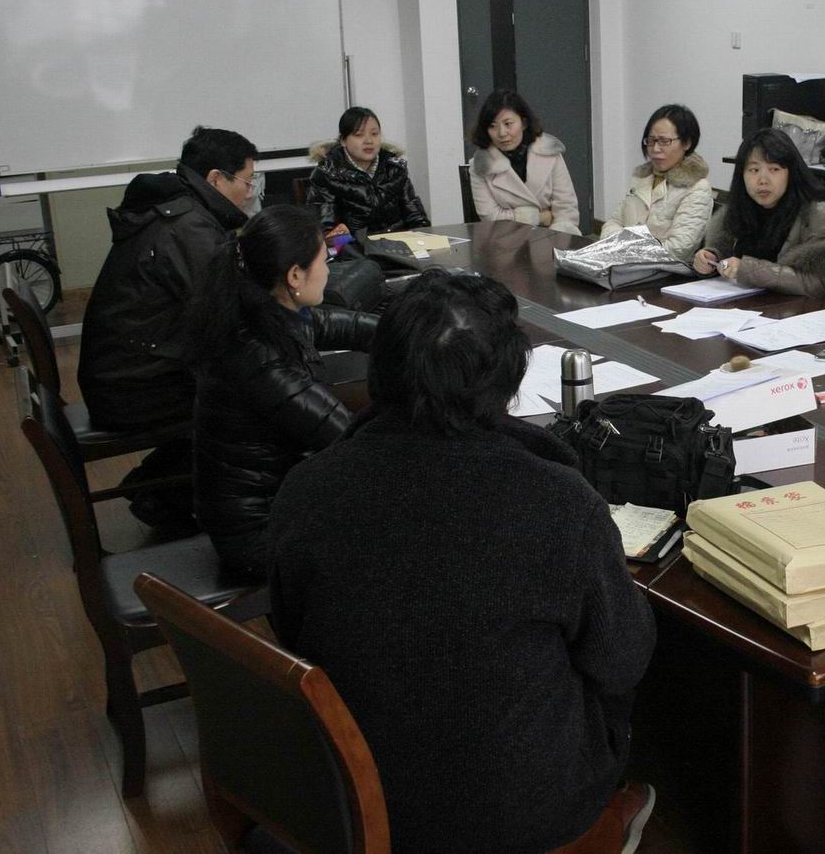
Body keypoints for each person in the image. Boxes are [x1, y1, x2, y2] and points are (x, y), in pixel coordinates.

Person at [268, 271, 657, 854]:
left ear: (380, 370)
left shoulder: (307, 487)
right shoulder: (558, 501)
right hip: (517, 814)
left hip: (352, 793)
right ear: (507, 384)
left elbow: (290, 627)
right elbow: (622, 660)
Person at [79, 125, 260, 529]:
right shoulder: (187, 226)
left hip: (123, 372)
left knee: (238, 380)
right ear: (216, 179)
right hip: (134, 388)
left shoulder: (180, 209)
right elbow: (225, 310)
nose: (249, 193)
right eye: (247, 181)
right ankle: (176, 499)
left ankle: (158, 486)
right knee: (252, 398)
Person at [187, 206, 377, 578]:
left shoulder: (265, 313)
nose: (329, 270)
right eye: (324, 260)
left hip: (273, 503)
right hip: (258, 535)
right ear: (294, 275)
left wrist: (408, 330)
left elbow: (338, 324)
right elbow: (348, 442)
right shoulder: (260, 357)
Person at [692, 127, 825, 300]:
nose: (763, 180)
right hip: (749, 307)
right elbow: (728, 258)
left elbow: (817, 284)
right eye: (754, 170)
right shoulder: (738, 209)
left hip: (804, 311)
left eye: (774, 169)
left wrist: (747, 269)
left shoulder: (821, 212)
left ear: (791, 172)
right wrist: (712, 259)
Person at [600, 103, 713, 262]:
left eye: (664, 141)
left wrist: (626, 250)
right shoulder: (641, 178)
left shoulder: (697, 188)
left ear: (687, 143)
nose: (655, 149)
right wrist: (622, 249)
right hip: (624, 263)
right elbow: (614, 222)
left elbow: (678, 249)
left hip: (665, 272)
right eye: (651, 140)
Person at [469, 88, 581, 235]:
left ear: (523, 123)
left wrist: (555, 240)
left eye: (508, 124)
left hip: (550, 238)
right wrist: (539, 218)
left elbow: (566, 209)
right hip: (504, 241)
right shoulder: (481, 166)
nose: (502, 133)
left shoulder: (549, 152)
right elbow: (491, 218)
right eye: (492, 126)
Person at [306, 106, 429, 238]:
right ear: (343, 140)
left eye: (374, 134)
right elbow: (325, 236)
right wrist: (343, 239)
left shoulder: (394, 168)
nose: (369, 141)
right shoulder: (327, 173)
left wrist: (423, 238)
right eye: (359, 135)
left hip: (397, 243)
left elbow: (416, 216)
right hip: (353, 246)